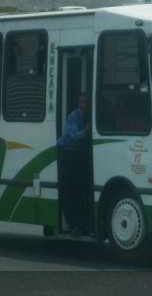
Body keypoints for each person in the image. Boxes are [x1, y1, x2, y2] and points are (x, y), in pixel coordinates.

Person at [57, 93, 91, 236]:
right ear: (78, 104)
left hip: (76, 156)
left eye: (86, 103)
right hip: (66, 154)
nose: (84, 105)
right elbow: (74, 136)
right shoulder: (74, 116)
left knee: (78, 192)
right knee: (67, 191)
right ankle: (72, 225)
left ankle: (82, 225)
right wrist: (86, 131)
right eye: (81, 102)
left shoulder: (88, 117)